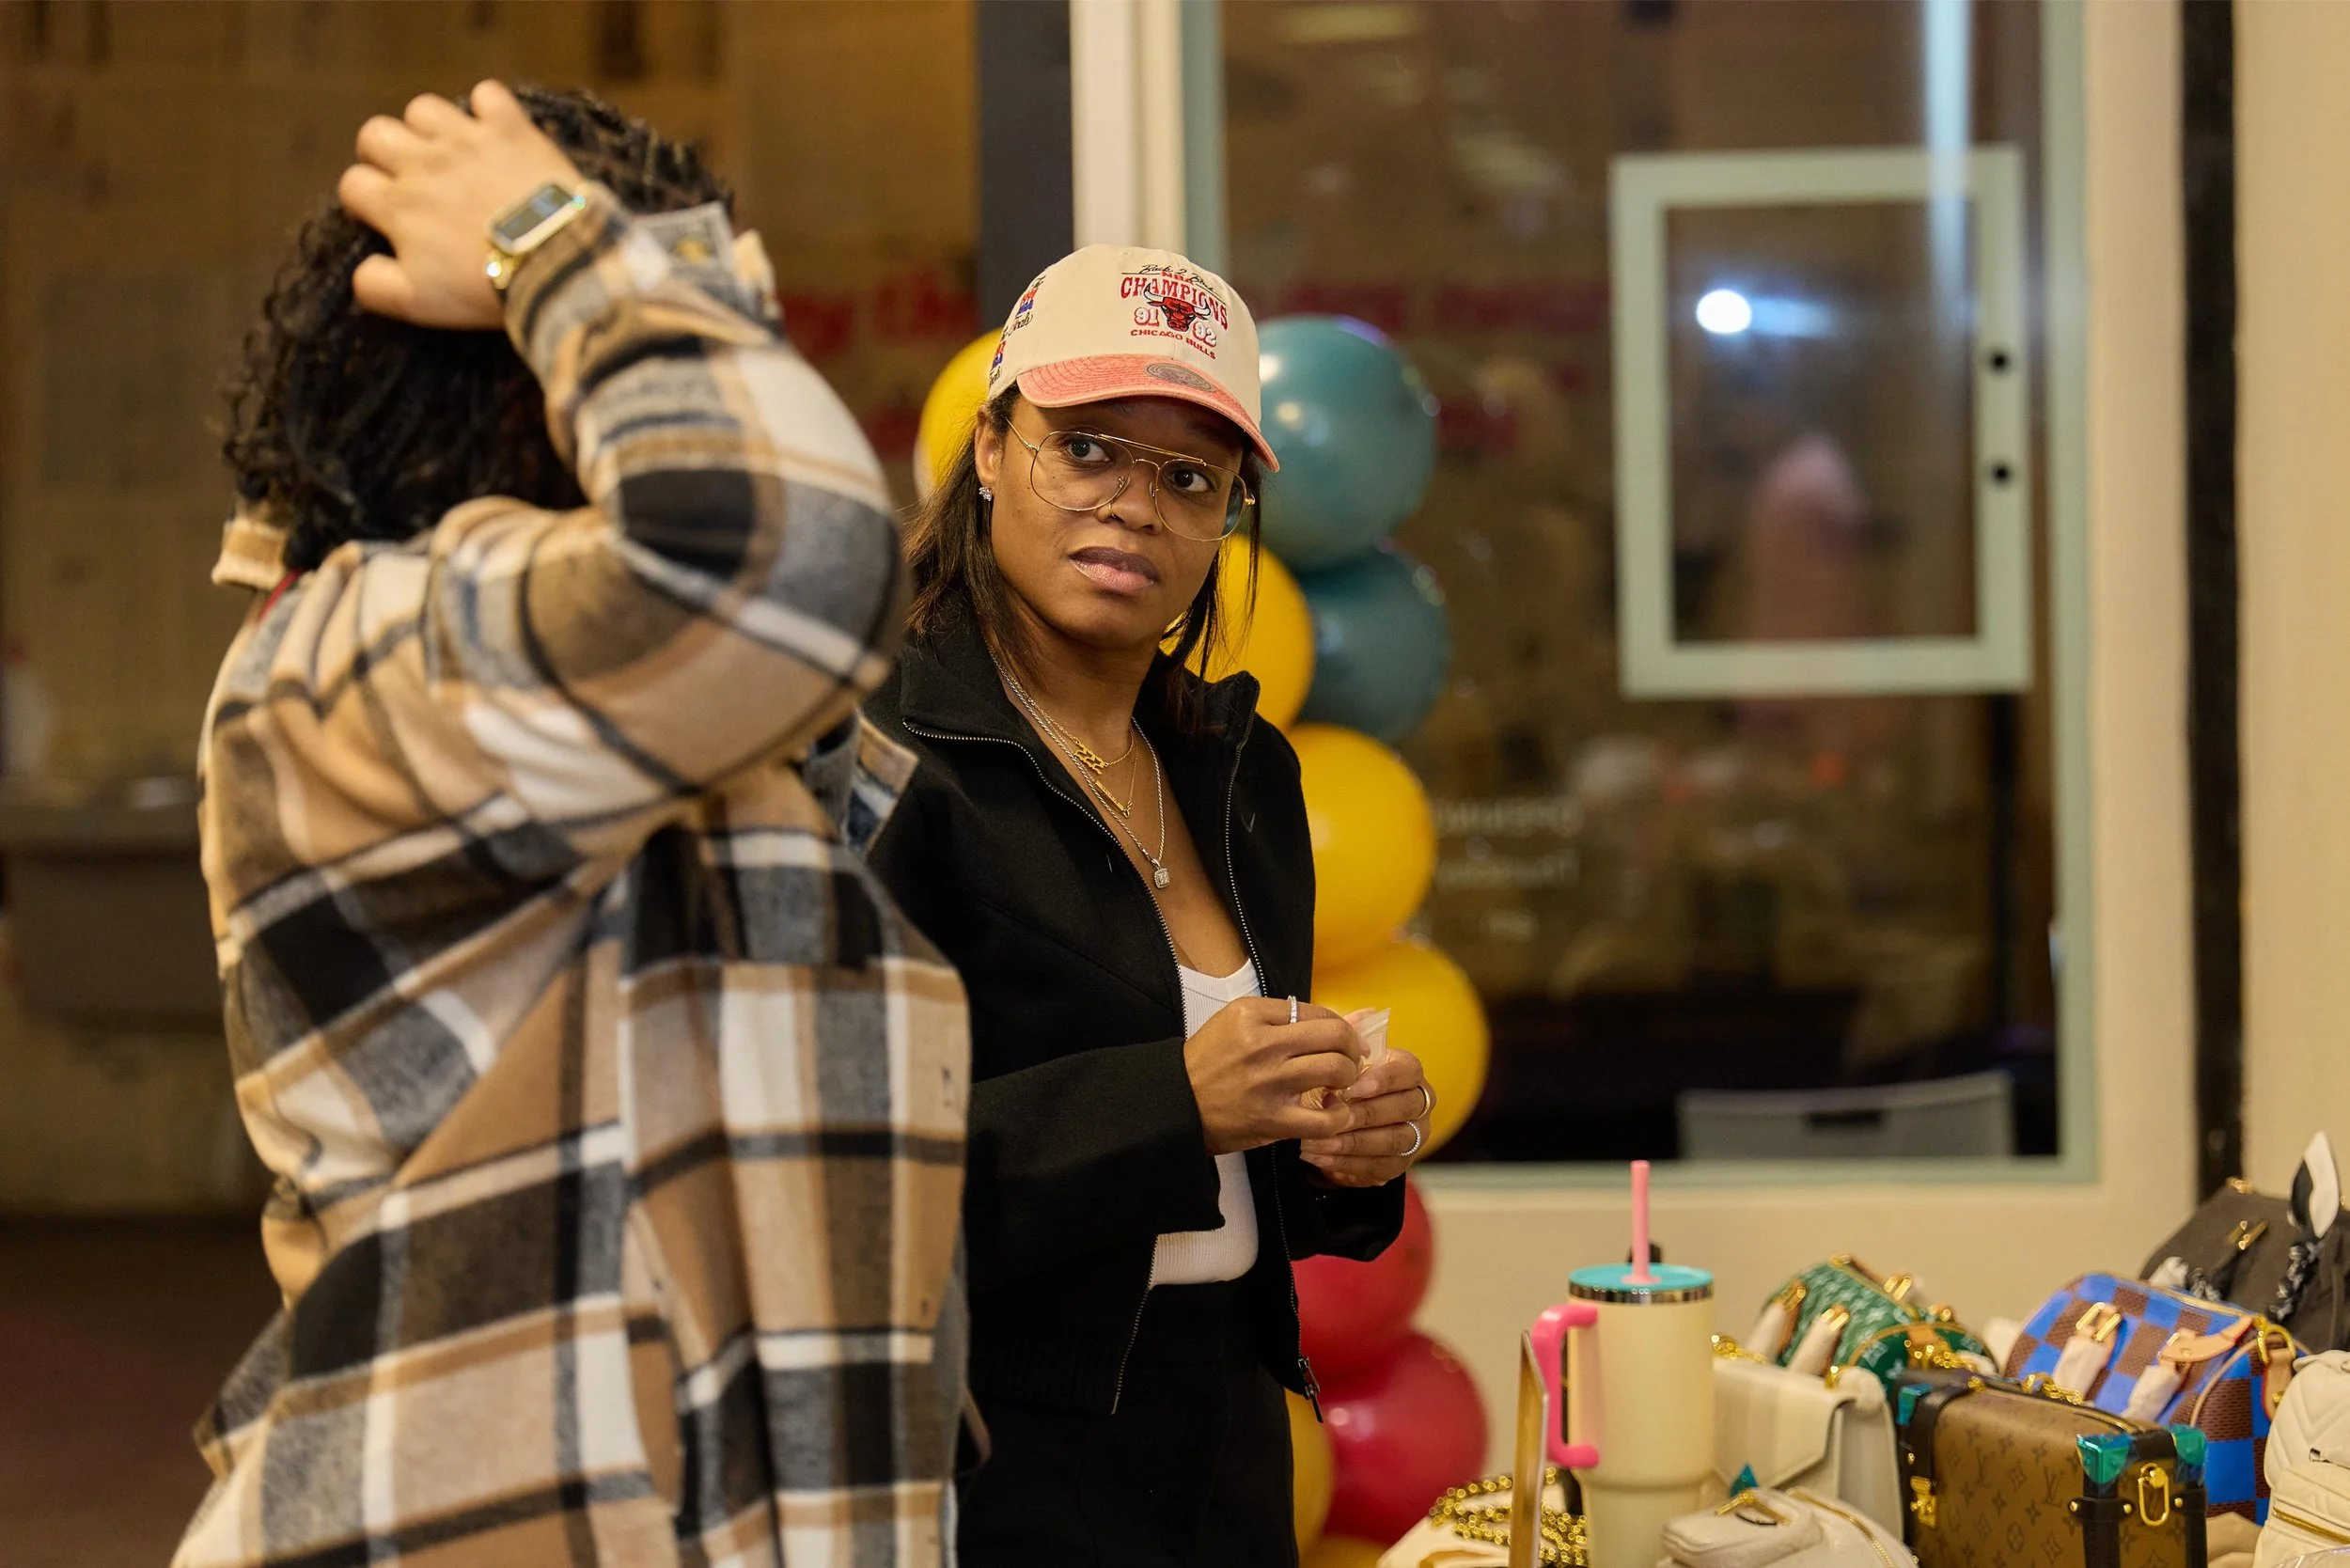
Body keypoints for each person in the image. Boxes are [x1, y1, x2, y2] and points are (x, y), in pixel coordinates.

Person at [178, 83, 968, 1567]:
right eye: (677, 314)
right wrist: (557, 242)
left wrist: (647, 282)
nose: (730, 350)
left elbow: (805, 658)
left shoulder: (639, 717)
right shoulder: (360, 661)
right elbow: (793, 561)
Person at [856, 246, 1435, 1566]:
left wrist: (1346, 1149)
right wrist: (1174, 1103)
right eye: (1087, 450)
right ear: (990, 449)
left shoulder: (1240, 770)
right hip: (978, 1455)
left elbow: (1239, 1174)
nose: (1134, 507)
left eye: (1189, 477)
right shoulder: (878, 751)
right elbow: (833, 1169)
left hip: (1223, 1437)